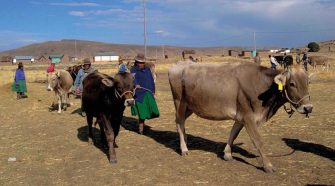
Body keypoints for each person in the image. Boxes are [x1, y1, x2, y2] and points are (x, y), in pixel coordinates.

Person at [130, 53, 160, 134]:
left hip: (149, 92)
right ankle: (141, 128)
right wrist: (136, 84)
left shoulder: (147, 69)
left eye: (142, 62)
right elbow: (133, 79)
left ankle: (143, 124)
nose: (141, 64)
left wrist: (153, 90)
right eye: (139, 62)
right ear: (136, 62)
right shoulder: (133, 70)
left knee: (152, 110)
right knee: (142, 112)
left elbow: (151, 80)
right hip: (139, 94)